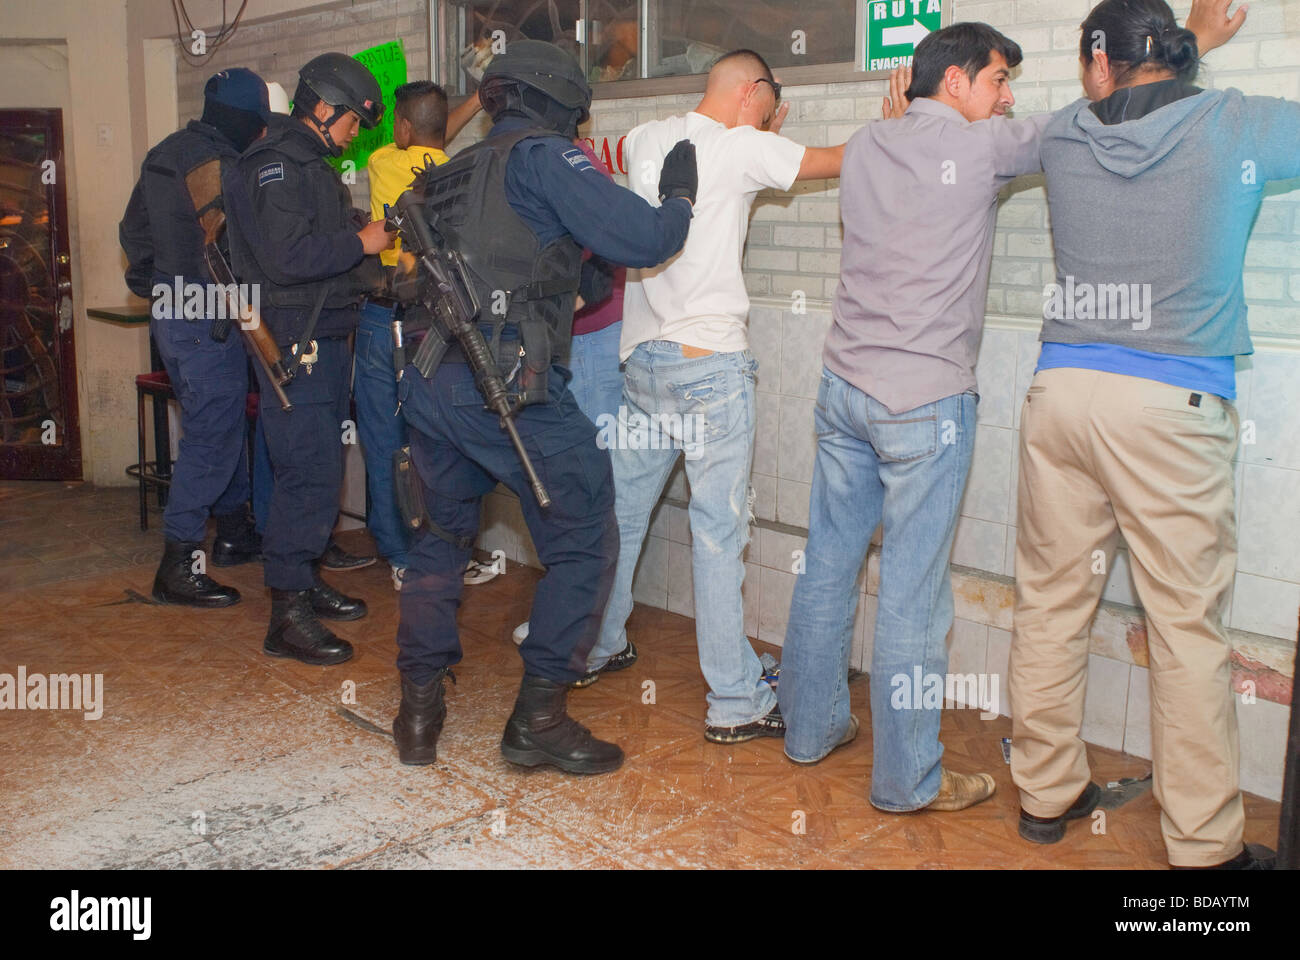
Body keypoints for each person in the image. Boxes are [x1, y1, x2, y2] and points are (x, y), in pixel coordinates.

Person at [1011, 0, 1288, 869]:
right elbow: (1160, 95)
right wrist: (1195, 45)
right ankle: (1204, 849)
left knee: (1052, 603)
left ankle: (1046, 795)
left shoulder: (1062, 135)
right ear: (1171, 51)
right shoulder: (1237, 123)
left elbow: (1122, 100)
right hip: (1169, 408)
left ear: (1097, 64)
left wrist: (1182, 46)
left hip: (1061, 397)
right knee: (1184, 629)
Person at [388, 40, 697, 774]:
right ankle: (538, 721)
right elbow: (643, 236)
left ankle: (418, 714)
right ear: (560, 108)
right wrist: (681, 199)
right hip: (506, 387)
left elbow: (524, 269)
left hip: (431, 382)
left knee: (440, 541)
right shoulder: (545, 157)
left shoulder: (453, 170)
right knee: (585, 535)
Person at [581, 50, 891, 743]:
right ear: (752, 94)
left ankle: (596, 645)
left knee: (622, 516)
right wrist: (892, 122)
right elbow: (837, 159)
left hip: (644, 366)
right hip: (709, 369)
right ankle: (733, 701)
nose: (771, 119)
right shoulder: (744, 144)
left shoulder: (643, 139)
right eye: (771, 105)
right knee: (718, 536)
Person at [223, 52, 394, 666]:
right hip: (298, 340)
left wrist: (362, 243)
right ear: (322, 106)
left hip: (322, 333)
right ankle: (286, 615)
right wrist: (361, 241)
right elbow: (288, 258)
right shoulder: (276, 166)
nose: (353, 134)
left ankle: (304, 575)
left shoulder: (308, 165)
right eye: (351, 122)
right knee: (306, 472)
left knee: (321, 465)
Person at [119, 68, 270, 608]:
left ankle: (232, 533)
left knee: (217, 426)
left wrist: (159, 285)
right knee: (213, 437)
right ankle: (178, 564)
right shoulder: (223, 167)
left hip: (174, 316)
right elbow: (238, 249)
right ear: (245, 118)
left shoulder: (164, 151)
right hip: (210, 319)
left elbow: (132, 232)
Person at [358, 80, 484, 592]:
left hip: (384, 316)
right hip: (434, 322)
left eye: (396, 121)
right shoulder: (455, 171)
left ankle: (400, 553)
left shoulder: (385, 162)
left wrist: (463, 106)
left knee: (385, 440)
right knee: (433, 440)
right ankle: (439, 550)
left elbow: (425, 133)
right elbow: (435, 136)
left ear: (403, 128)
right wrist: (477, 99)